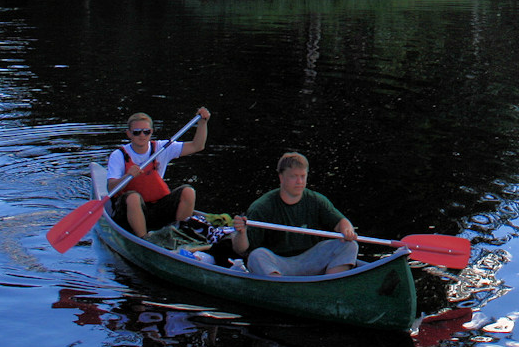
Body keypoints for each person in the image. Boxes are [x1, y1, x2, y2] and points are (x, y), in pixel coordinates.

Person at [230, 152, 366, 276]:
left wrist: (347, 230)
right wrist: (241, 232)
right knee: (256, 256)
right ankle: (281, 289)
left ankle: (329, 285)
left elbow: (340, 222)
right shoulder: (262, 207)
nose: (300, 182)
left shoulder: (316, 200)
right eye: (294, 177)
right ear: (281, 177)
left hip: (310, 260)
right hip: (279, 264)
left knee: (349, 245)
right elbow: (241, 249)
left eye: (303, 176)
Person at [106, 107, 211, 238]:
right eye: (137, 132)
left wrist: (202, 123)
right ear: (129, 134)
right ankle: (145, 240)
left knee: (188, 191)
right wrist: (128, 176)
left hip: (156, 208)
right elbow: (111, 188)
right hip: (128, 212)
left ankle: (179, 234)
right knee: (133, 197)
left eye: (146, 132)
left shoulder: (162, 148)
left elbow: (197, 146)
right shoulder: (119, 155)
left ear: (151, 132)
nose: (142, 136)